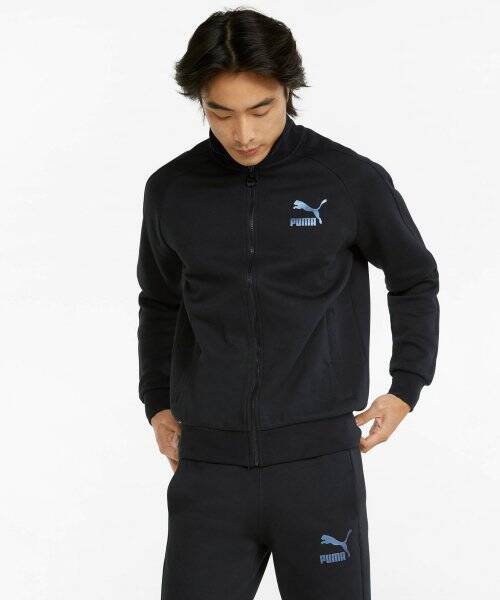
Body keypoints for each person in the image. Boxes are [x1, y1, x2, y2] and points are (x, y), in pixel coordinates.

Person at [136, 8, 440, 600]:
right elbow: (160, 300)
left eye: (261, 109)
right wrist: (158, 402)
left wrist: (406, 386)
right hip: (211, 470)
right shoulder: (172, 189)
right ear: (200, 102)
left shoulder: (347, 179)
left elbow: (413, 277)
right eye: (221, 113)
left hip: (318, 465)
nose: (243, 134)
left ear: (289, 90)